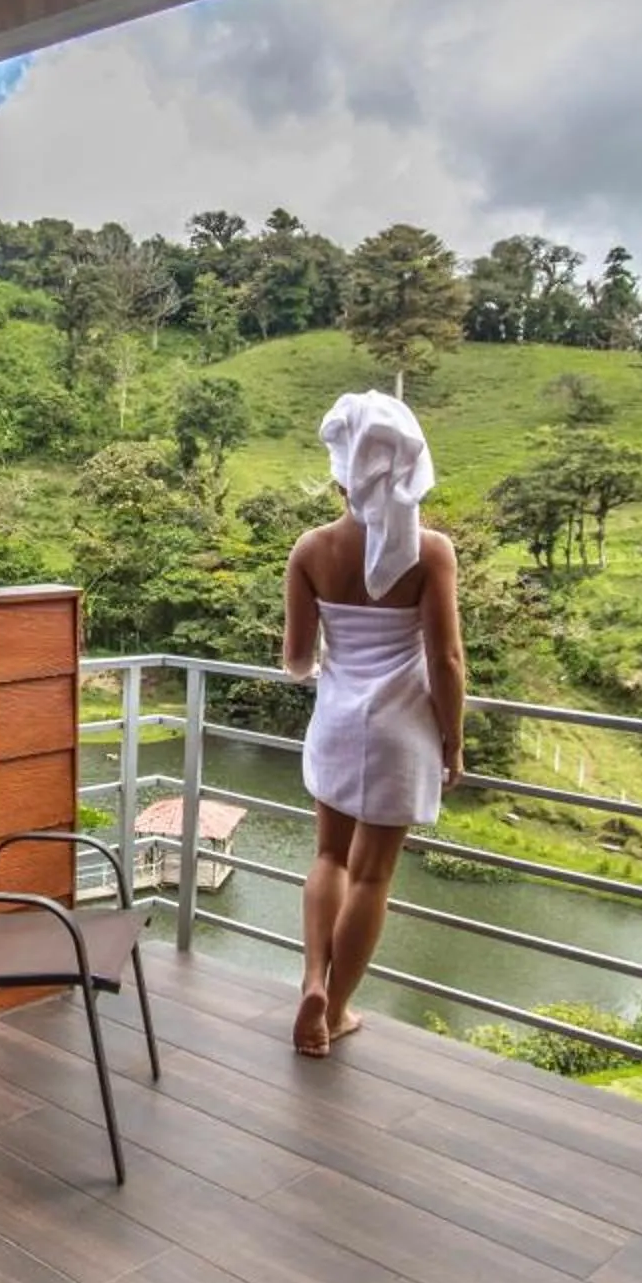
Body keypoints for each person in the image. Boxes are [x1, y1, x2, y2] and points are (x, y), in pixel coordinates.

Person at [280, 390, 466, 1057]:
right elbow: (444, 659)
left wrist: (330, 653)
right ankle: (338, 1012)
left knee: (328, 855)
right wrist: (455, 740)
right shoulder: (433, 553)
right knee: (372, 875)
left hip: (336, 721)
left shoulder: (311, 549)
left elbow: (298, 661)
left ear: (342, 468)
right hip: (401, 730)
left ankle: (311, 981)